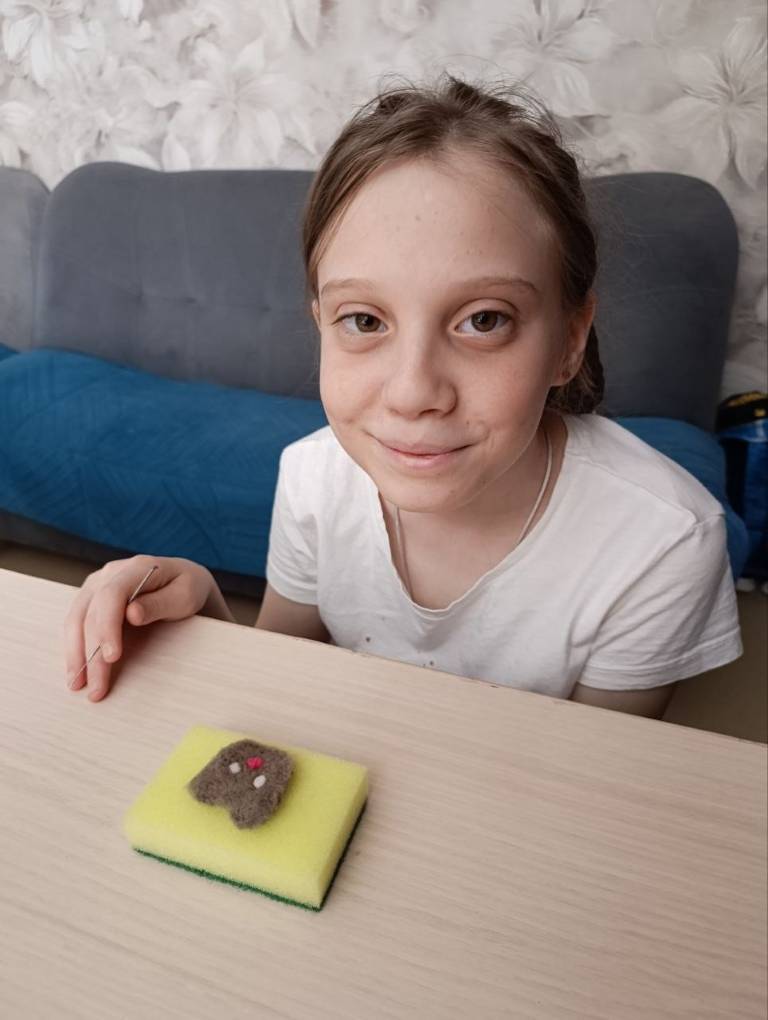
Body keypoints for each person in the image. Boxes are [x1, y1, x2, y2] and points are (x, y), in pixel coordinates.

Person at [63, 75, 742, 718]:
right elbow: (284, 680)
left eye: (484, 320)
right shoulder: (315, 475)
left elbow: (593, 781)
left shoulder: (662, 543)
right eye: (364, 321)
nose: (414, 393)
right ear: (321, 324)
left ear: (569, 340)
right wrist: (203, 608)